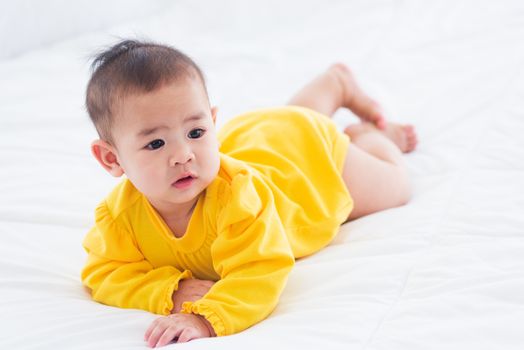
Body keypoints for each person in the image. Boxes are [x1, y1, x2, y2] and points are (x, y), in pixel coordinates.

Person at [81, 39, 417, 348]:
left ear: (212, 125)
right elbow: (104, 273)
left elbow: (259, 269)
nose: (184, 154)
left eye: (196, 132)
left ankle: (376, 138)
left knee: (395, 186)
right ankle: (334, 83)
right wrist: (167, 290)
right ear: (111, 158)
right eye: (155, 143)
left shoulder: (237, 198)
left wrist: (205, 317)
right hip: (265, 139)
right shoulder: (119, 217)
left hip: (309, 169)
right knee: (289, 122)